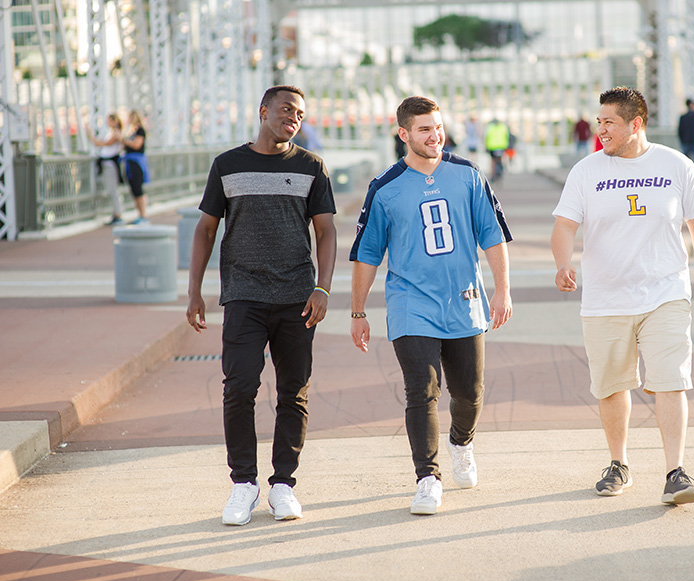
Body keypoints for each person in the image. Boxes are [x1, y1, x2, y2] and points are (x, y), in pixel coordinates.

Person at [551, 87, 694, 506]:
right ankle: (618, 464)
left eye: (609, 122)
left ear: (636, 124)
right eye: (599, 121)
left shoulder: (675, 165)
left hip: (665, 291)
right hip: (605, 298)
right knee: (611, 386)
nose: (601, 129)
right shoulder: (586, 171)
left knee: (670, 380)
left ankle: (675, 472)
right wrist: (562, 262)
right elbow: (564, 226)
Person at [350, 95, 513, 515]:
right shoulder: (385, 187)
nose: (434, 136)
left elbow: (491, 235)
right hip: (410, 304)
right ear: (403, 134)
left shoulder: (467, 174)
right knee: (421, 392)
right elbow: (368, 253)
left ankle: (461, 442)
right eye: (424, 129)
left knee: (469, 394)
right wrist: (358, 311)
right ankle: (427, 477)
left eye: (437, 127)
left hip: (464, 301)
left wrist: (502, 289)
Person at [186, 85, 337, 526]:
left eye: (301, 113)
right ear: (263, 111)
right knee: (239, 388)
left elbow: (326, 232)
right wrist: (194, 290)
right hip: (243, 295)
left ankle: (283, 485)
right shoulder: (227, 165)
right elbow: (205, 229)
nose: (294, 117)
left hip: (297, 298)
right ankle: (243, 484)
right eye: (286, 109)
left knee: (294, 391)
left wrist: (322, 289)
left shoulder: (311, 166)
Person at [85, 113, 124, 225]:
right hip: (107, 163)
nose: (107, 123)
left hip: (110, 164)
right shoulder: (112, 133)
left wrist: (89, 134)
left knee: (113, 190)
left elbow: (99, 144)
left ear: (114, 121)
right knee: (112, 189)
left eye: (109, 120)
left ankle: (118, 214)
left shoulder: (116, 134)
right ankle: (116, 213)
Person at [122, 110, 151, 225]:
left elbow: (136, 144)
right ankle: (140, 214)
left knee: (138, 189)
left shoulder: (140, 131)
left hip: (136, 163)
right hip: (130, 162)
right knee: (134, 189)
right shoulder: (131, 131)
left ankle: (143, 215)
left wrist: (124, 140)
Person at [677, 99, 694, 167]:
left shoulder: (683, 117)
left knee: (685, 162)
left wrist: (682, 140)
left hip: (686, 141)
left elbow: (680, 130)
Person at [484, 117, 510, 182]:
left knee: (493, 161)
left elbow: (486, 137)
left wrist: (486, 146)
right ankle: (501, 169)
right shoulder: (503, 127)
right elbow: (507, 136)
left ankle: (493, 175)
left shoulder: (490, 127)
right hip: (502, 146)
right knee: (501, 158)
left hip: (492, 146)